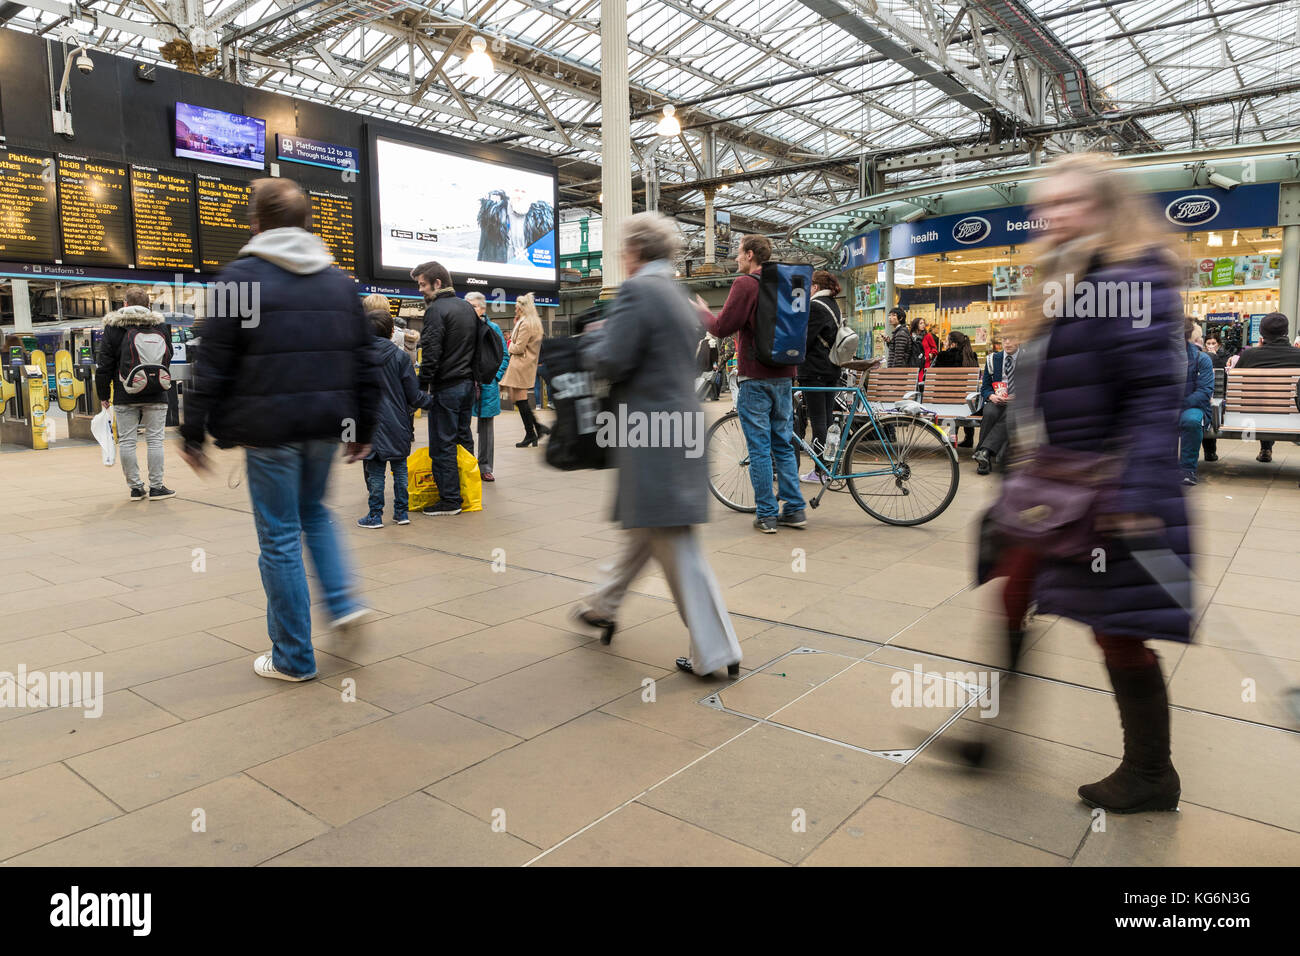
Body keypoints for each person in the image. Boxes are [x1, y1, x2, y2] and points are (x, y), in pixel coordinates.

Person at [977, 153, 1191, 813]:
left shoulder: (1132, 276)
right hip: (1052, 488)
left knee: (1118, 628)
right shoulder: (1069, 275)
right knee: (1011, 593)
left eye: (1069, 200)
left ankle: (1151, 772)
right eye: (1047, 202)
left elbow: (1155, 394)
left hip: (1106, 490)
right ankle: (988, 737)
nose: (1053, 213)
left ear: (1105, 205)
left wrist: (1138, 491)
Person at [179, 177, 378, 682]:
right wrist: (364, 425)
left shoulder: (239, 279)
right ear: (306, 222)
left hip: (269, 431)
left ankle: (292, 657)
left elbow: (213, 363)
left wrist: (192, 431)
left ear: (256, 223)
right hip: (326, 425)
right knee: (314, 512)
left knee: (280, 535)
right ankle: (343, 600)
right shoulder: (339, 282)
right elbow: (364, 362)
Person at [571, 212, 742, 678]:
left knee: (672, 537)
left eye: (624, 250)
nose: (622, 259)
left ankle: (716, 651)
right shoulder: (681, 295)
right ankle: (603, 605)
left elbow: (614, 359)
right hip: (680, 422)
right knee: (648, 528)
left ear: (636, 251)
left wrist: (592, 341)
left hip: (651, 431)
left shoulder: (639, 291)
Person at [698, 235, 806, 533]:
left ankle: (767, 514)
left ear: (749, 255)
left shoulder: (746, 284)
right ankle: (795, 510)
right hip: (785, 375)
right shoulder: (786, 283)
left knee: (759, 448)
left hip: (755, 376)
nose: (735, 260)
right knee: (782, 444)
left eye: (738, 254)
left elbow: (721, 327)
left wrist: (703, 311)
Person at [95, 288, 175, 500]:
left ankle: (136, 488)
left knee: (128, 441)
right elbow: (169, 355)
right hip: (157, 391)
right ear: (149, 305)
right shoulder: (160, 325)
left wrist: (103, 394)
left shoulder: (113, 327)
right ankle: (157, 487)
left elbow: (104, 364)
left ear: (125, 304)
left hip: (125, 392)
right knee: (156, 440)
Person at [412, 260, 478, 517]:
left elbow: (431, 352)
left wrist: (421, 387)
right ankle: (468, 491)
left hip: (447, 387)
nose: (420, 290)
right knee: (464, 439)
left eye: (422, 284)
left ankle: (450, 500)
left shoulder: (436, 310)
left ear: (437, 283)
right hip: (467, 385)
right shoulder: (467, 308)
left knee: (443, 444)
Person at [358, 309, 434, 527]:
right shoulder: (400, 357)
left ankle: (375, 515)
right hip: (398, 422)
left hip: (370, 423)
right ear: (391, 332)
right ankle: (401, 513)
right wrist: (433, 402)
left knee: (375, 473)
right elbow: (413, 395)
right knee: (400, 469)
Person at [1230, 312, 1300, 463]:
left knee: (1263, 399)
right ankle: (1266, 448)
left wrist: (1258, 350)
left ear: (1262, 333)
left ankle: (1265, 448)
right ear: (1286, 332)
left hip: (1253, 417)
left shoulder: (1250, 355)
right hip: (1294, 418)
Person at [798, 269, 843, 483]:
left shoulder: (815, 306)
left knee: (817, 421)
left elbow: (804, 341)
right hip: (830, 370)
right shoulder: (833, 305)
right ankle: (829, 467)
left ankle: (820, 470)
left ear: (815, 287)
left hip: (815, 370)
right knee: (825, 419)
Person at [465, 291, 510, 482]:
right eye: (468, 306)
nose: (471, 309)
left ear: (483, 308)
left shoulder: (493, 328)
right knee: (463, 426)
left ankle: (485, 467)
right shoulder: (462, 328)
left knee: (486, 429)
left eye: (474, 306)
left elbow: (504, 355)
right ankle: (466, 464)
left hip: (487, 384)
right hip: (466, 383)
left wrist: (495, 377)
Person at [500, 293, 549, 447]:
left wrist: (509, 345)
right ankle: (535, 430)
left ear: (522, 308)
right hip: (523, 364)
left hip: (521, 364)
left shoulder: (526, 324)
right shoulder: (530, 322)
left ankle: (532, 433)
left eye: (516, 308)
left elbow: (519, 346)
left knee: (520, 400)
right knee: (518, 399)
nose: (515, 310)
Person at [972, 334, 1018, 475]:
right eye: (1005, 339)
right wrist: (992, 396)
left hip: (1017, 402)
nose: (1008, 342)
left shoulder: (1027, 358)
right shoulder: (993, 359)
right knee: (990, 412)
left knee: (1012, 413)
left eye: (1012, 338)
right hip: (996, 400)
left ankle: (983, 453)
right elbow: (985, 387)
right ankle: (986, 455)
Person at [1180, 320, 1214, 486]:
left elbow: (1204, 392)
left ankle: (1188, 469)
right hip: (1167, 404)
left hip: (1193, 406)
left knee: (1191, 420)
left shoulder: (1202, 359)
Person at [933, 330, 979, 447]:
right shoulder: (971, 356)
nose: (944, 342)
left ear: (953, 344)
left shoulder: (943, 356)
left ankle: (953, 438)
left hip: (946, 400)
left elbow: (932, 375)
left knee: (953, 403)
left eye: (946, 340)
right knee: (964, 402)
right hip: (969, 402)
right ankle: (969, 439)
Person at [1200, 332, 1226, 462]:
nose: (1211, 346)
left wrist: (1214, 357)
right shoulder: (1203, 356)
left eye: (1213, 343)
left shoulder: (1223, 356)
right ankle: (1210, 451)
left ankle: (1210, 451)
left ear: (1219, 344)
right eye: (1208, 343)